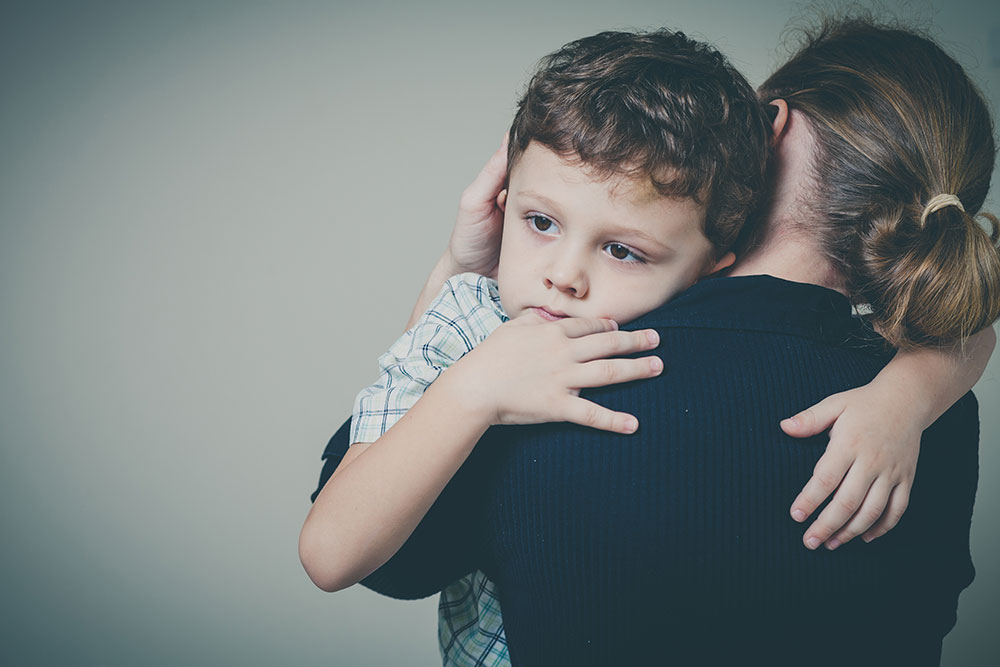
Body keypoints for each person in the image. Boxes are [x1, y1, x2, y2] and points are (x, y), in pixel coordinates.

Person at [303, 17, 999, 666]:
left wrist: (456, 286)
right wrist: (912, 393)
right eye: (541, 221)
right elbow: (972, 334)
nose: (565, 278)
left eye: (621, 249)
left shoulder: (556, 374)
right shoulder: (932, 411)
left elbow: (368, 552)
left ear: (771, 125)